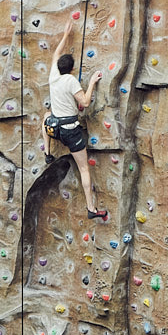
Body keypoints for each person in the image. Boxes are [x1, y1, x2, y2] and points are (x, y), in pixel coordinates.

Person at [48, 14, 109, 220]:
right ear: (72, 69)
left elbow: (56, 53)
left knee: (46, 116)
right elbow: (84, 102)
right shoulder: (71, 81)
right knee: (84, 168)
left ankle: (47, 151)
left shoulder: (53, 76)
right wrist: (91, 82)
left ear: (58, 67)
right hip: (70, 131)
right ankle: (91, 208)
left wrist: (66, 34)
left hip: (54, 127)